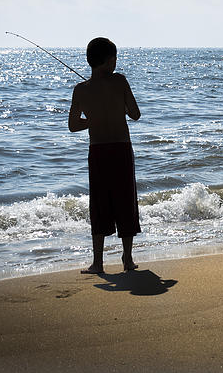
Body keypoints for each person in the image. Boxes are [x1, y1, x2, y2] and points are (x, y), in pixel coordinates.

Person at [68, 37, 142, 273]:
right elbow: (135, 114)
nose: (116, 63)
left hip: (97, 151)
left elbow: (72, 125)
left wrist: (92, 120)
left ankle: (98, 263)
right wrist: (117, 106)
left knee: (99, 204)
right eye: (115, 59)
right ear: (109, 60)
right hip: (121, 149)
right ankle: (127, 260)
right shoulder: (120, 82)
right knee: (125, 201)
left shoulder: (81, 89)